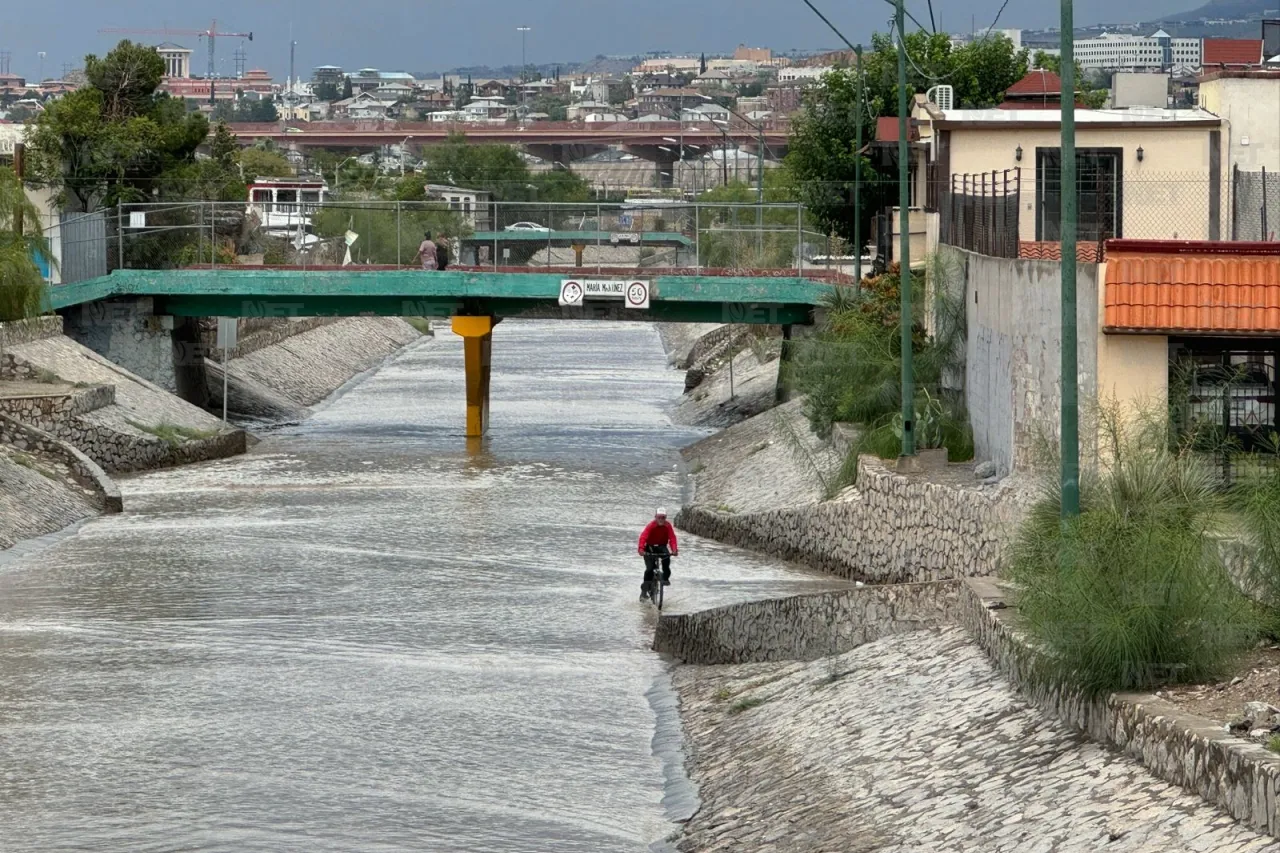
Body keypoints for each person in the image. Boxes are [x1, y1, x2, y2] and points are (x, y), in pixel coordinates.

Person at [638, 508, 678, 600]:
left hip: (661, 546)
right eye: (659, 517)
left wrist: (674, 549)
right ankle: (644, 591)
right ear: (655, 517)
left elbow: (672, 538)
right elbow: (643, 537)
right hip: (650, 547)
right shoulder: (651, 526)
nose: (661, 519)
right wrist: (641, 549)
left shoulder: (668, 526)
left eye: (663, 517)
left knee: (667, 559)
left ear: (665, 518)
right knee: (649, 569)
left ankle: (665, 578)